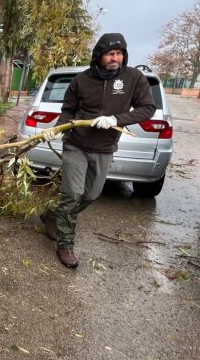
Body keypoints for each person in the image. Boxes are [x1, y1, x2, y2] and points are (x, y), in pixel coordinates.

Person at [40, 33, 156, 268]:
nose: (115, 58)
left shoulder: (133, 78)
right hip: (76, 145)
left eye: (119, 53)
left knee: (90, 195)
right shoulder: (81, 81)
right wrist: (57, 128)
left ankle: (53, 215)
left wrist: (117, 119)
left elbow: (148, 108)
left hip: (105, 148)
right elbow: (68, 110)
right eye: (110, 54)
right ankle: (65, 244)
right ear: (99, 56)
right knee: (72, 193)